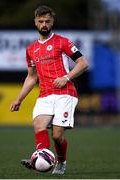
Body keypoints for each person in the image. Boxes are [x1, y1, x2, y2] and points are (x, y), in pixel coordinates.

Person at [10, 5, 88, 175]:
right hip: (45, 94)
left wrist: (66, 77)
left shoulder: (63, 42)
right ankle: (40, 159)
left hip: (65, 93)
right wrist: (19, 99)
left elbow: (83, 63)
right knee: (39, 125)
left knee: (57, 136)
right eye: (41, 21)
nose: (44, 24)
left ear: (52, 22)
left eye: (47, 21)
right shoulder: (31, 50)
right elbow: (31, 77)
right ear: (35, 23)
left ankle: (61, 162)